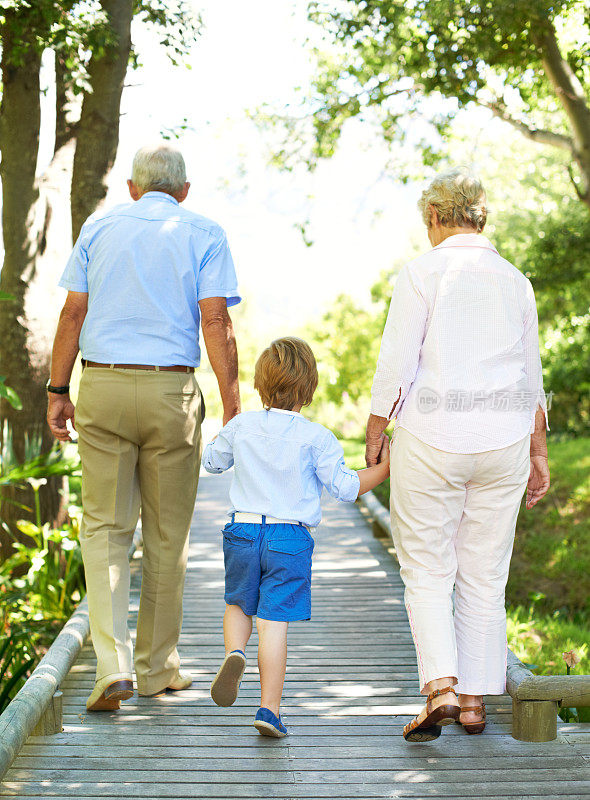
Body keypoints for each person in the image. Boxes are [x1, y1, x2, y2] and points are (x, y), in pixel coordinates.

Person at [47, 144, 241, 711]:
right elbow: (215, 318)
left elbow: (72, 314)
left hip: (101, 387)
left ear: (133, 187)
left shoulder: (99, 227)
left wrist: (58, 390)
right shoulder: (204, 230)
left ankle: (112, 666)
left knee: (105, 530)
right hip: (170, 392)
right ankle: (158, 669)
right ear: (184, 190)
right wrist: (232, 404)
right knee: (166, 535)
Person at [365, 167, 550, 741]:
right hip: (504, 441)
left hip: (433, 437)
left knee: (426, 566)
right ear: (481, 218)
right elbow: (531, 373)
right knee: (485, 572)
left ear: (437, 218)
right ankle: (474, 701)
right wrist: (538, 450)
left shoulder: (421, 274)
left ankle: (440, 688)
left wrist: (377, 425)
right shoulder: (515, 281)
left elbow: (399, 360)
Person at [202, 337, 390, 737]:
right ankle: (269, 710)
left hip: (243, 529)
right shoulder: (317, 437)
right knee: (274, 624)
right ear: (309, 388)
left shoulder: (243, 426)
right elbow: (345, 488)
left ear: (259, 384)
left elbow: (212, 462)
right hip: (289, 538)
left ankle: (234, 652)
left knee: (238, 605)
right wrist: (384, 469)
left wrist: (228, 432)